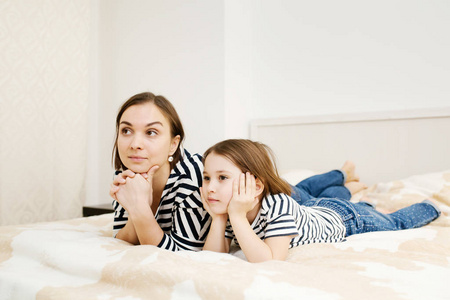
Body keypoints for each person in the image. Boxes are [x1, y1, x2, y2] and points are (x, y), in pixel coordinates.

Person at [200, 139, 441, 263]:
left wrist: (237, 217)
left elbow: (270, 260)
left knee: (394, 222)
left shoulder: (276, 205)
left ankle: (432, 205)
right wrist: (219, 217)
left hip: (345, 219)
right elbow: (212, 256)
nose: (210, 187)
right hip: (314, 209)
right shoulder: (233, 211)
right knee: (334, 201)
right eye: (207, 177)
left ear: (256, 186)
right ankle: (365, 201)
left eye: (222, 178)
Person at [109, 92, 210, 251]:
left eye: (151, 132)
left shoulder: (193, 175)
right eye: (126, 131)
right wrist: (137, 208)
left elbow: (183, 255)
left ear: (173, 144)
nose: (135, 144)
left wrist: (141, 208)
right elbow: (122, 241)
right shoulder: (127, 174)